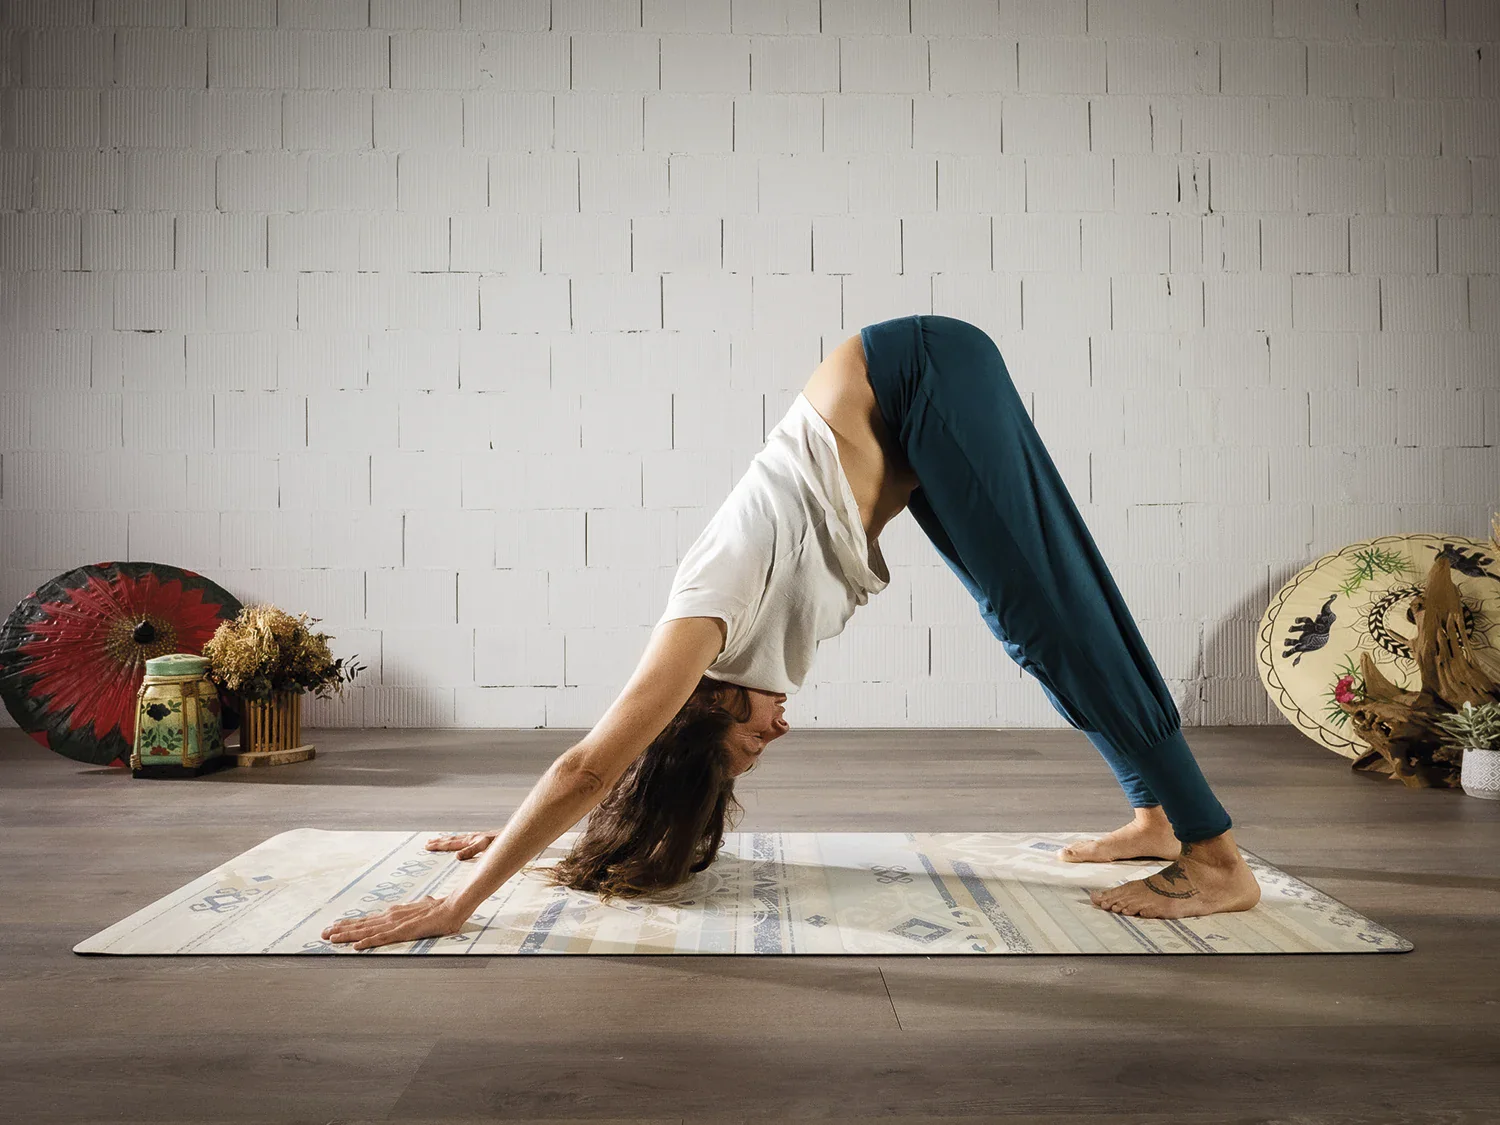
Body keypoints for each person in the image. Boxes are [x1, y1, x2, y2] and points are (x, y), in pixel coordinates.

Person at [323, 314, 1260, 952]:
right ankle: (1156, 815)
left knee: (1062, 623)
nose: (777, 734)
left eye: (747, 744)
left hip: (916, 372)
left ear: (704, 714)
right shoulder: (732, 663)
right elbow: (610, 782)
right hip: (913, 400)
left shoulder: (705, 621)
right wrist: (542, 838)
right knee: (1035, 628)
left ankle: (1215, 859)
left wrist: (463, 899)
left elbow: (588, 765)